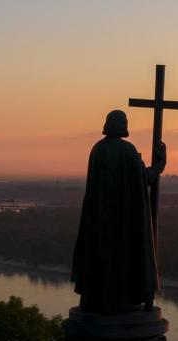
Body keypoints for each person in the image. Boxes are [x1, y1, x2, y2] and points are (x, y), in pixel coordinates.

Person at [71, 109, 166, 313]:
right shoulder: (127, 151)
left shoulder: (97, 150)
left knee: (101, 257)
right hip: (123, 222)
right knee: (123, 257)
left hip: (99, 221)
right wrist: (159, 165)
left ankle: (97, 298)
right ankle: (123, 300)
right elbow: (145, 179)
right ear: (122, 125)